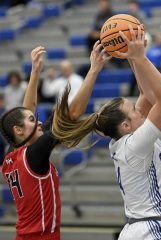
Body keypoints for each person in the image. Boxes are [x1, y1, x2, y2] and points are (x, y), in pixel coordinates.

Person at [52, 26, 161, 239]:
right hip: (149, 230)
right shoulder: (137, 143)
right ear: (125, 126)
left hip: (138, 229)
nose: (139, 109)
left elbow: (146, 93)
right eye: (134, 110)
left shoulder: (127, 138)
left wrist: (132, 57)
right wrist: (141, 59)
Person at [0, 42, 109, 240]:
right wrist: (93, 70)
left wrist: (34, 73)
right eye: (33, 120)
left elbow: (26, 110)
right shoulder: (35, 153)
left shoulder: (10, 155)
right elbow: (73, 114)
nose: (39, 121)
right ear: (18, 130)